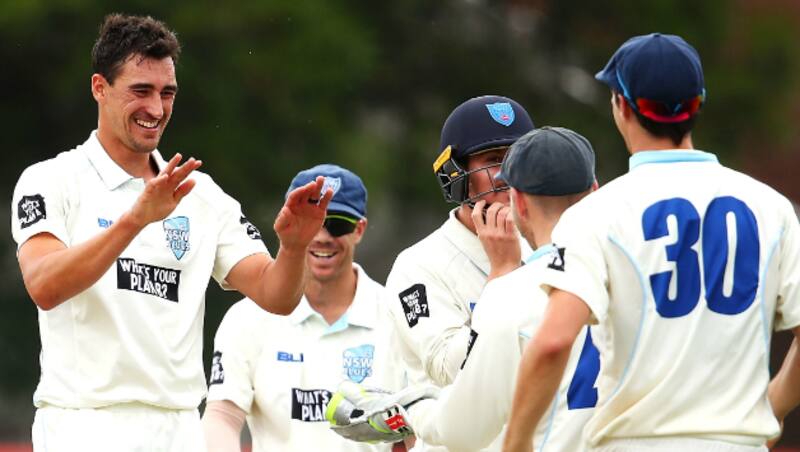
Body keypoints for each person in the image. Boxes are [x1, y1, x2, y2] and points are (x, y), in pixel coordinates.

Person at [10, 14, 331, 452]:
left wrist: (293, 247)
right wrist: (136, 219)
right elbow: (44, 285)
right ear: (99, 88)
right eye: (140, 91)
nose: (157, 110)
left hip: (179, 428)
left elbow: (276, 295)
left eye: (167, 93)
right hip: (83, 425)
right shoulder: (51, 180)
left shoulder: (202, 195)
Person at [503, 33, 800, 452]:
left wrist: (515, 443)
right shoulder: (773, 208)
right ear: (698, 103)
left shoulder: (595, 214)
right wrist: (774, 407)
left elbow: (553, 341)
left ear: (621, 106)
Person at [326, 127, 600, 452]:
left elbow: (460, 430)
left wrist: (407, 410)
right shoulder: (616, 273)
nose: (503, 176)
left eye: (514, 160)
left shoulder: (511, 291)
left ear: (520, 203)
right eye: (494, 159)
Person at [201, 164, 408, 452]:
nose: (322, 236)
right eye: (309, 223)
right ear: (287, 223)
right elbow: (222, 416)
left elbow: (416, 432)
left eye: (337, 225)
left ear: (359, 230)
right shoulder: (247, 317)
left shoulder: (396, 315)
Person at [385, 95, 535, 396]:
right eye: (493, 160)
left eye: (518, 156)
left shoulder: (548, 242)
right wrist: (502, 274)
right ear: (456, 174)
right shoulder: (418, 265)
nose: (509, 172)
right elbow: (447, 370)